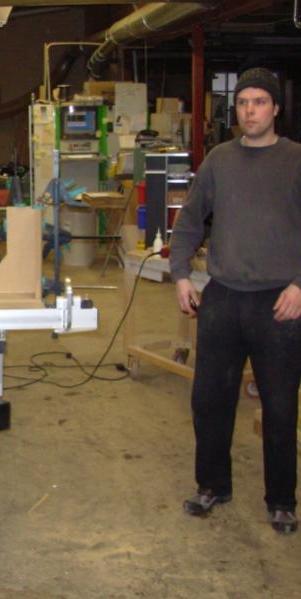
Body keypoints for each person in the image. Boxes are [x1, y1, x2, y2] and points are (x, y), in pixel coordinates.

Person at [169, 67, 301, 534]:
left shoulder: (295, 160)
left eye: (259, 102)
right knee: (210, 400)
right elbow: (189, 220)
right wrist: (181, 274)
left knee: (280, 408)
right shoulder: (219, 161)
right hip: (223, 299)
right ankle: (211, 485)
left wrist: (299, 285)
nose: (250, 111)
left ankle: (281, 500)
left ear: (275, 109)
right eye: (243, 102)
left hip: (279, 304)